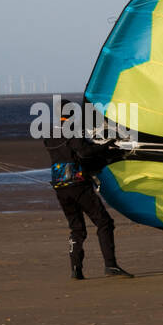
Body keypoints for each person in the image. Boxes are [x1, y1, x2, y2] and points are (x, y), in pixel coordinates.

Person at [43, 102, 132, 279]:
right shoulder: (72, 130)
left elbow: (70, 152)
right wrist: (106, 146)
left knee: (77, 229)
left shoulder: (49, 133)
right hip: (77, 185)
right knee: (104, 222)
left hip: (60, 188)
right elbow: (84, 152)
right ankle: (110, 265)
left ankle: (76, 269)